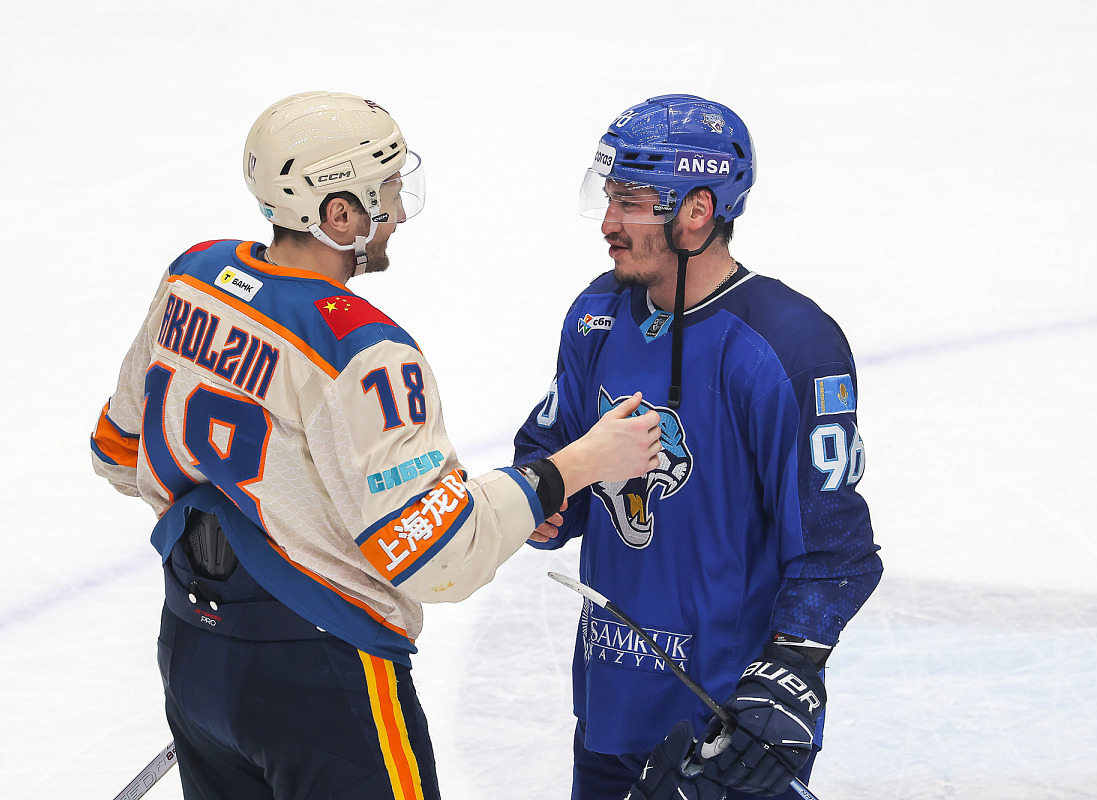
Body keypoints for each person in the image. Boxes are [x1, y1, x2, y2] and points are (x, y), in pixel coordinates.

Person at [90, 91, 663, 800]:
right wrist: (578, 464)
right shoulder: (363, 351)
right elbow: (439, 557)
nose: (397, 213)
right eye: (386, 192)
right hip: (322, 678)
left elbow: (117, 450)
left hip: (192, 650)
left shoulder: (193, 276)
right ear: (339, 214)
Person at [513, 94, 883, 800]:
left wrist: (789, 673)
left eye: (630, 202)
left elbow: (834, 548)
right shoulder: (597, 313)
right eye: (608, 197)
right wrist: (540, 501)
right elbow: (552, 449)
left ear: (697, 210)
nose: (608, 223)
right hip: (611, 697)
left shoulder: (788, 343)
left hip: (729, 722)